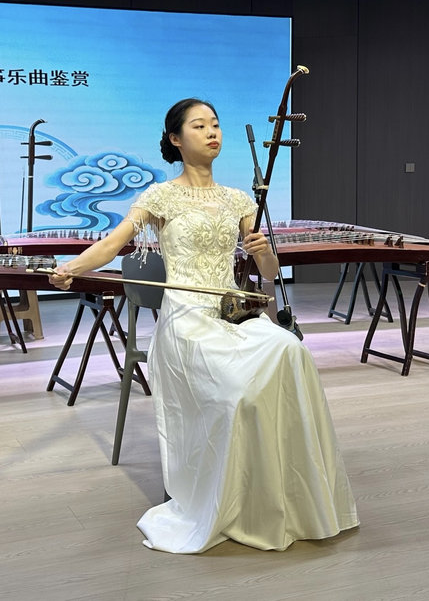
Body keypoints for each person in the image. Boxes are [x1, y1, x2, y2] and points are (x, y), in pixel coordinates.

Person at [50, 98, 359, 553]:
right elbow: (114, 243)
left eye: (215, 124)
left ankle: (284, 498)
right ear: (175, 139)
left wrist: (262, 251)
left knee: (290, 350)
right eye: (199, 126)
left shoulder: (239, 199)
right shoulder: (160, 197)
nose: (212, 132)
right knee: (238, 387)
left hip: (232, 311)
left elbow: (269, 273)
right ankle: (231, 499)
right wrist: (72, 268)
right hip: (186, 319)